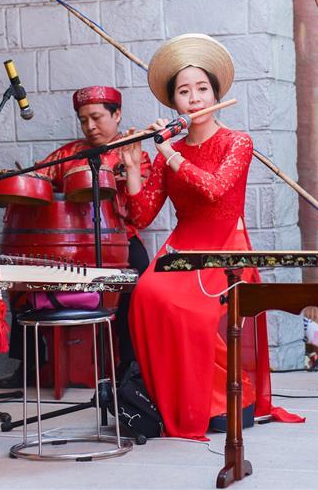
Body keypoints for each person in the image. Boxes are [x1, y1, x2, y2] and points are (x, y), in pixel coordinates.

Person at [119, 33, 302, 440]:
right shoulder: (169, 153)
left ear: (216, 94)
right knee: (146, 294)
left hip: (224, 247)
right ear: (174, 102)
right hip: (182, 244)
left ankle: (218, 400)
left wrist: (169, 153)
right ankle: (175, 400)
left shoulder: (237, 142)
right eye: (184, 92)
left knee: (188, 311)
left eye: (202, 89)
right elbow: (142, 215)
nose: (195, 98)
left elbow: (215, 189)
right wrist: (132, 167)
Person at [0, 86, 151, 388]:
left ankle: (129, 364)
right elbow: (39, 181)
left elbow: (139, 209)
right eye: (83, 120)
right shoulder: (67, 154)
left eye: (97, 117)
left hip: (117, 240)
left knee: (138, 280)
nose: (90, 126)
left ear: (117, 115)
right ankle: (29, 363)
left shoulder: (134, 154)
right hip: (71, 244)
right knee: (24, 276)